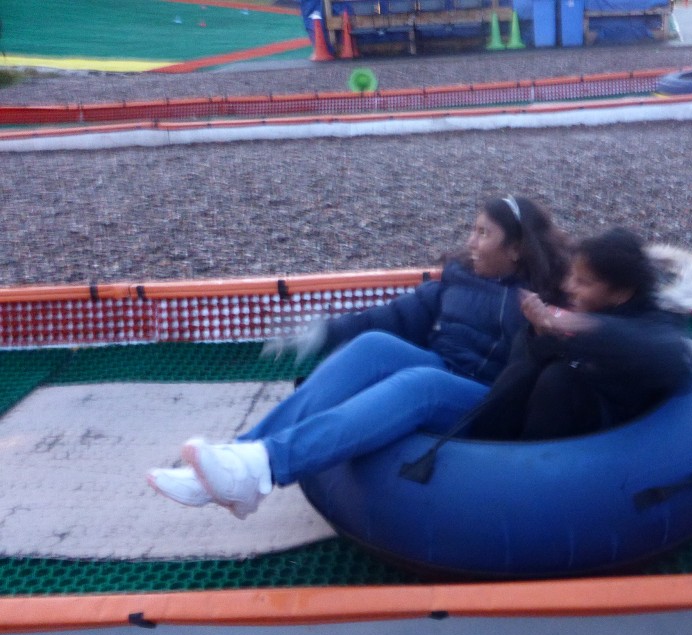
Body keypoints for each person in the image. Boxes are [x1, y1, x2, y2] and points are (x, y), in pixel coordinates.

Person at [147, 196, 569, 518]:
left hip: (485, 401)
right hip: (442, 371)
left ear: (516, 249)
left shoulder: (541, 302)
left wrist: (541, 328)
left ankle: (264, 466)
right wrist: (324, 333)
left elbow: (548, 367)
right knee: (374, 346)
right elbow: (392, 317)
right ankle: (234, 463)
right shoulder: (458, 279)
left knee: (420, 384)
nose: (470, 243)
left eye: (483, 234)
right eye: (472, 230)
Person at [467, 227, 692, 441]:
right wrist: (538, 332)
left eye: (584, 282)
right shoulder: (586, 306)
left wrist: (585, 328)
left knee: (559, 379)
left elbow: (664, 352)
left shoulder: (656, 321)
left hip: (611, 441)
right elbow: (520, 369)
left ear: (621, 292)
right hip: (544, 431)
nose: (569, 287)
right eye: (572, 277)